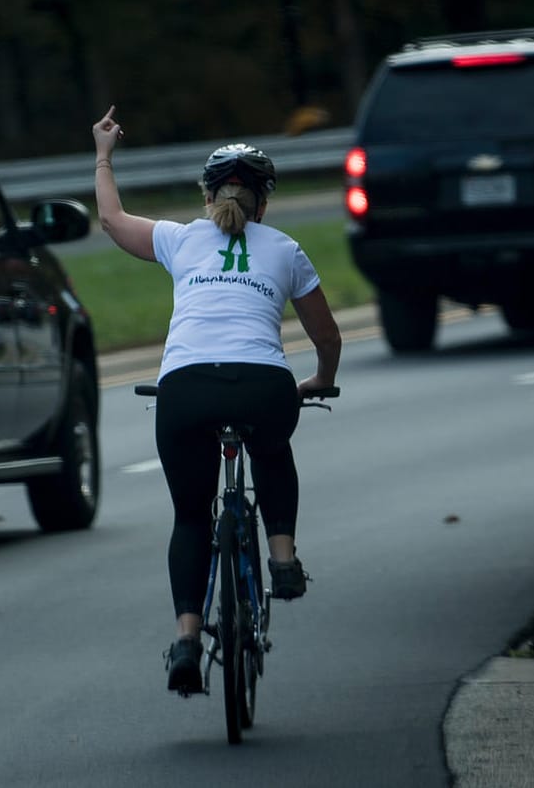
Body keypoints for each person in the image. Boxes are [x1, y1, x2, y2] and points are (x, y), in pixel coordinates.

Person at [91, 106, 342, 695]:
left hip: (185, 388)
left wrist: (104, 153)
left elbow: (110, 219)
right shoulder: (285, 248)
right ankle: (282, 558)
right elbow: (326, 336)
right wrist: (321, 378)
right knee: (273, 448)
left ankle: (184, 638)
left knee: (189, 514)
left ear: (208, 196)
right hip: (264, 385)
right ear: (264, 203)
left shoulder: (179, 239)